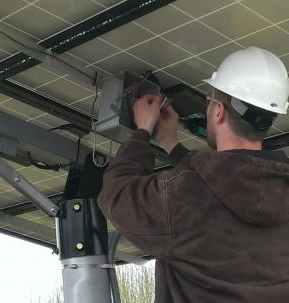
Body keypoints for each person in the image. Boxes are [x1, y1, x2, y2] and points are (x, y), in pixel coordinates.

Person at [97, 47, 289, 302]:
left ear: (219, 110)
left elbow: (116, 196)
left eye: (209, 100)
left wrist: (142, 131)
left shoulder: (183, 197)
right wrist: (171, 144)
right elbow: (225, 181)